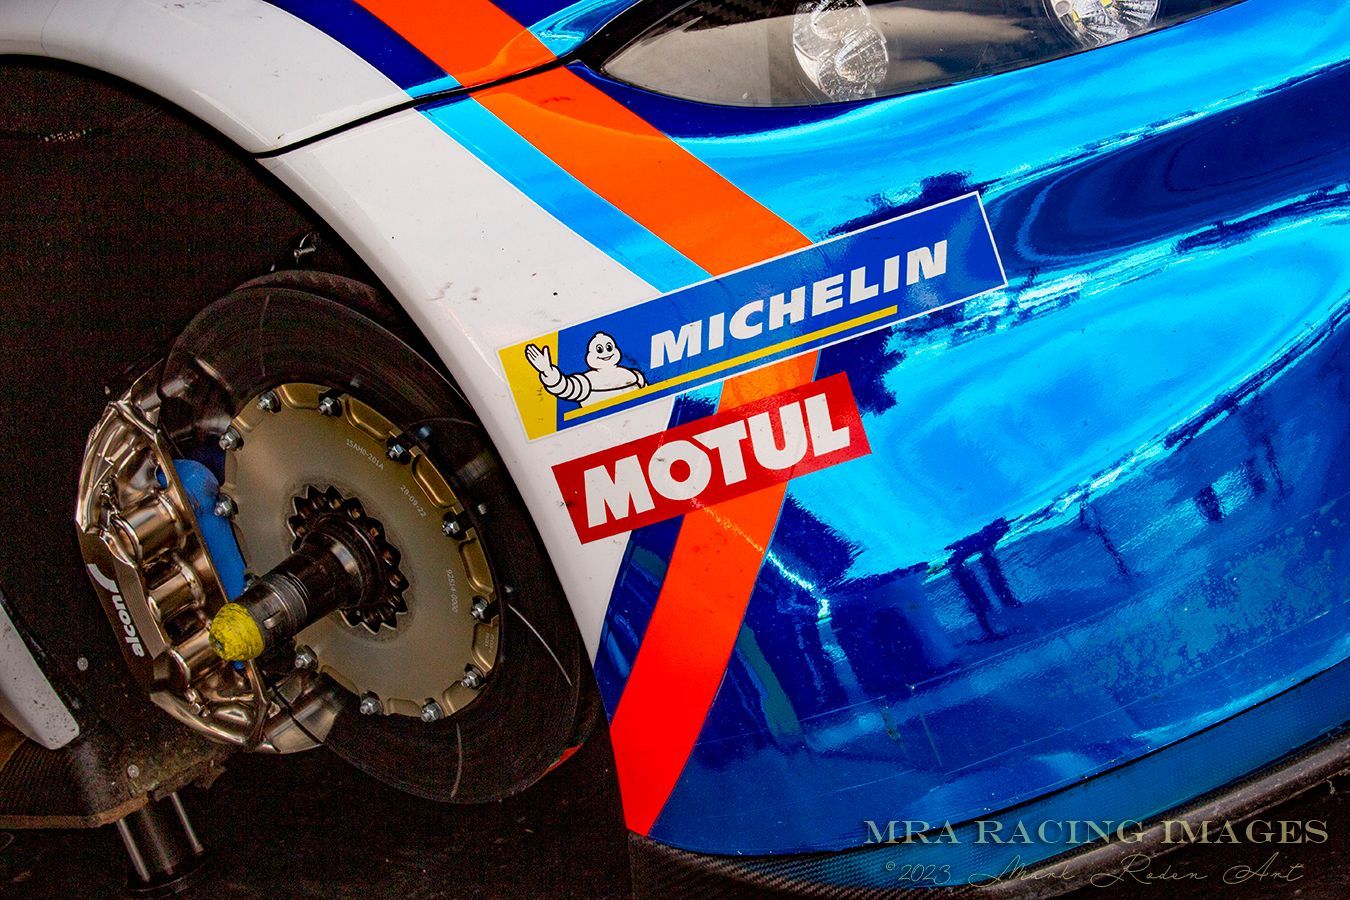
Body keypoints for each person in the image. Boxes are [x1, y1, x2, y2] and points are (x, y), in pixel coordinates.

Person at [524, 331, 646, 407]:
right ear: (590, 356)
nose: (605, 353)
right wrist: (548, 371)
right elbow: (566, 387)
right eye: (599, 349)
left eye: (609, 348)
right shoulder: (587, 381)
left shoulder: (634, 375)